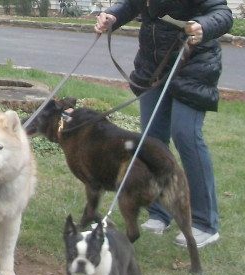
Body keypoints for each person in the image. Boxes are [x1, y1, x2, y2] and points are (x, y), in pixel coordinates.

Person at [94, 0, 233, 248]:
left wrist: (203, 25)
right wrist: (112, 16)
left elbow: (222, 13)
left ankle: (205, 223)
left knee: (185, 135)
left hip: (193, 66)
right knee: (152, 141)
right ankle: (159, 213)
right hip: (153, 68)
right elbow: (130, 5)